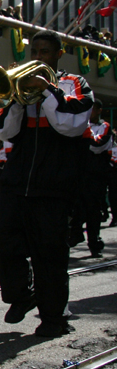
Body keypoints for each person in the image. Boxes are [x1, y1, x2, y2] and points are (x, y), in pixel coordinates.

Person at [0, 30, 93, 339]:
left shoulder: (74, 84)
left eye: (44, 51)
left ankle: (53, 318)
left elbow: (71, 125)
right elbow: (6, 132)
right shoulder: (18, 88)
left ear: (58, 54)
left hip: (55, 184)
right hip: (16, 180)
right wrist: (18, 99)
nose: (37, 57)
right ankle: (22, 295)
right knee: (3, 243)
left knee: (49, 254)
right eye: (34, 51)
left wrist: (48, 91)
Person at [70, 99, 110, 257]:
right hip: (80, 173)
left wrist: (84, 134)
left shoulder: (103, 126)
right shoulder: (81, 125)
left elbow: (97, 145)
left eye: (92, 109)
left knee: (93, 210)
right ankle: (75, 234)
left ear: (99, 110)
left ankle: (94, 243)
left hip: (95, 176)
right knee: (76, 207)